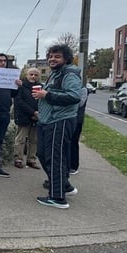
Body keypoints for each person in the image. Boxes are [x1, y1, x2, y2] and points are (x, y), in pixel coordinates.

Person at [32, 44, 83, 209]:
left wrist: (47, 94)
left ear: (66, 58)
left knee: (55, 158)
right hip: (47, 120)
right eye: (51, 56)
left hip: (60, 121)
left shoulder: (69, 74)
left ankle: (57, 197)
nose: (52, 59)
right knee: (42, 154)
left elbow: (75, 96)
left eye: (57, 56)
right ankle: (64, 185)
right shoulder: (55, 74)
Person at [13, 68, 41, 169]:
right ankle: (18, 159)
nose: (33, 76)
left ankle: (31, 160)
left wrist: (38, 113)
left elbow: (41, 101)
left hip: (36, 117)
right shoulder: (21, 86)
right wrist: (33, 112)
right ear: (27, 75)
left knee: (34, 140)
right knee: (20, 139)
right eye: (31, 74)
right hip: (23, 116)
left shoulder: (40, 87)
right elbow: (20, 102)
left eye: (36, 75)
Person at [69, 77, 90, 175]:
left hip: (77, 120)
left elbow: (79, 103)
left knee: (73, 143)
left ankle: (74, 166)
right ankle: (67, 164)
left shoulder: (83, 89)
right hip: (69, 119)